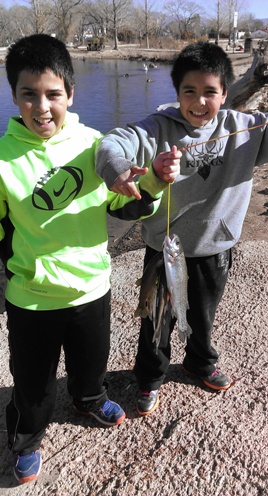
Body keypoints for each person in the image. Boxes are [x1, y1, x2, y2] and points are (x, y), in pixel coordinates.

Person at [0, 34, 180, 485]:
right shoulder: (3, 160)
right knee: (33, 386)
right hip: (32, 297)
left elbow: (124, 207)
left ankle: (88, 398)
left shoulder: (96, 144)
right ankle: (26, 438)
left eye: (53, 95)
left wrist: (154, 182)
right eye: (29, 94)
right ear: (14, 95)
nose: (42, 107)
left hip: (92, 288)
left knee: (90, 363)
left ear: (70, 94)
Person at [96, 41, 268, 416]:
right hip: (165, 251)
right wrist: (117, 166)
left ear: (225, 93)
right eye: (189, 92)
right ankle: (149, 377)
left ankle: (199, 361)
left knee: (202, 315)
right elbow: (111, 142)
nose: (199, 102)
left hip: (216, 249)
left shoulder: (246, 129)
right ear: (177, 93)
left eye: (210, 92)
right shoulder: (157, 129)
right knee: (156, 320)